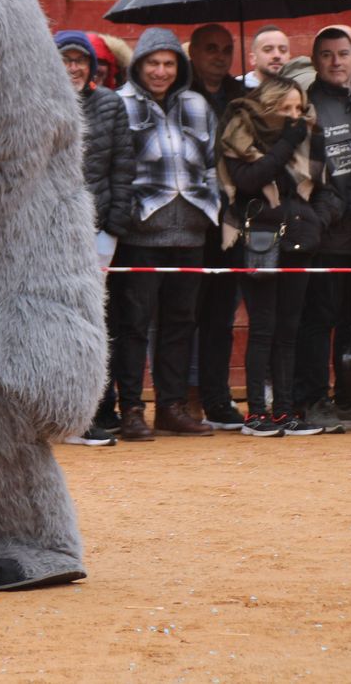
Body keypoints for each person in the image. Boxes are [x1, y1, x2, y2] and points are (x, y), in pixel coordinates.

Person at [101, 28, 220, 441]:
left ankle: (171, 407)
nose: (161, 71)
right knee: (133, 324)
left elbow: (209, 165)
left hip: (191, 233)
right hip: (140, 233)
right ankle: (132, 408)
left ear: (180, 67)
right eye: (153, 62)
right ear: (138, 65)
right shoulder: (120, 104)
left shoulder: (198, 105)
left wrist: (211, 209)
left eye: (169, 63)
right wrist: (130, 213)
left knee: (180, 324)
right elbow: (115, 166)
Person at [218, 77, 342, 436]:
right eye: (285, 108)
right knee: (263, 328)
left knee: (289, 330)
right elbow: (251, 178)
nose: (294, 116)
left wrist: (316, 221)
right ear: (267, 107)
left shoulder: (310, 138)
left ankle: (285, 411)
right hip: (257, 239)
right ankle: (256, 413)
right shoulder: (241, 133)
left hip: (300, 240)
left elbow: (324, 188)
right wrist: (287, 141)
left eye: (298, 108)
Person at [297, 27, 351, 429]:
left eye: (343, 53)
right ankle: (312, 398)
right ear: (315, 60)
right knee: (319, 319)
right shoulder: (305, 105)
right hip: (326, 234)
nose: (336, 61)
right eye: (327, 55)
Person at [55, 31, 135, 446]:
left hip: (100, 230)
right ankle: (62, 414)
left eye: (79, 60)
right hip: (48, 233)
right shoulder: (40, 103)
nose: (73, 67)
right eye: (65, 59)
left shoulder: (109, 104)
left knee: (93, 324)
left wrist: (116, 221)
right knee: (57, 321)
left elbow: (123, 164)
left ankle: (91, 412)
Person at [186, 24, 250, 429]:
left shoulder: (242, 97)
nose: (220, 56)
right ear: (193, 52)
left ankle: (216, 396)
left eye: (227, 49)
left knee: (221, 317)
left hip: (231, 217)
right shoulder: (180, 93)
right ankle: (183, 397)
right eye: (211, 49)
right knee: (184, 316)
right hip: (191, 218)